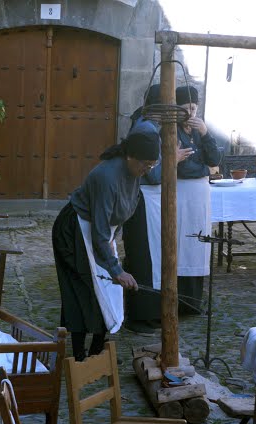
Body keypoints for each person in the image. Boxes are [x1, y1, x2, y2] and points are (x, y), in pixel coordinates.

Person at [52, 120, 159, 361]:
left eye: (152, 164)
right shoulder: (107, 177)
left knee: (108, 289)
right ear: (130, 156)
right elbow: (99, 231)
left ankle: (98, 348)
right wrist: (115, 268)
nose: (148, 169)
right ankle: (80, 355)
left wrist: (113, 257)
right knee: (84, 289)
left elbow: (147, 127)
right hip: (74, 231)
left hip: (100, 231)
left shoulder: (136, 171)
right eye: (145, 163)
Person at [123, 84, 221, 332]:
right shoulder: (145, 128)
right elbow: (150, 174)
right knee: (145, 259)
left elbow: (212, 161)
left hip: (153, 200)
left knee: (154, 258)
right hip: (144, 200)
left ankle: (151, 313)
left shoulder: (153, 127)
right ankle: (142, 316)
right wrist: (172, 159)